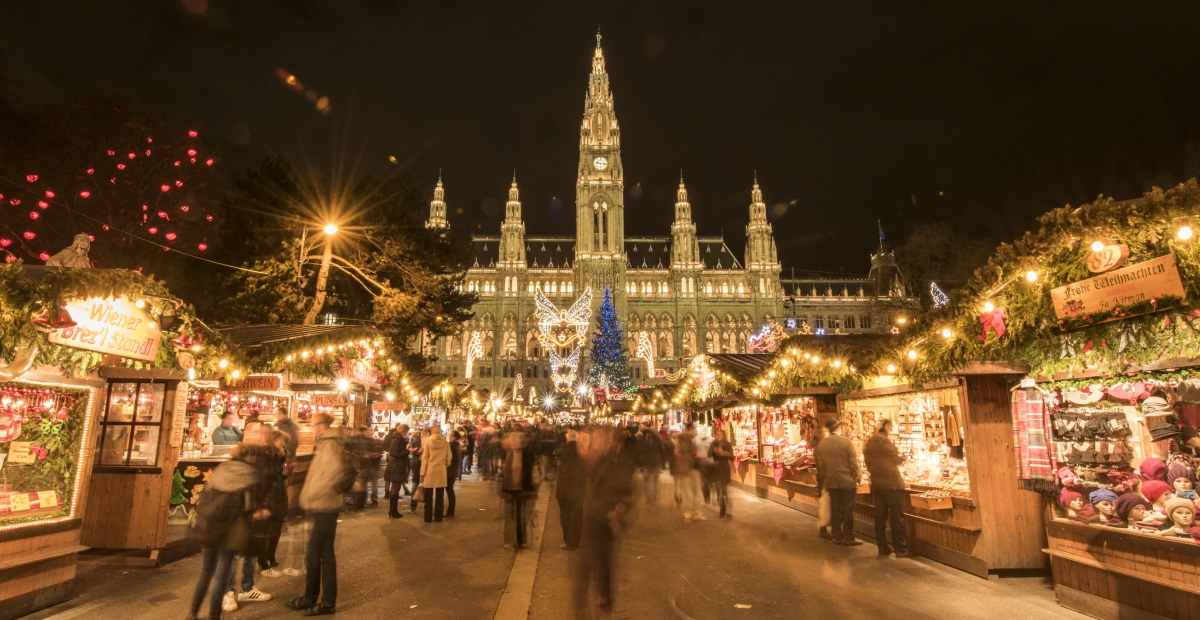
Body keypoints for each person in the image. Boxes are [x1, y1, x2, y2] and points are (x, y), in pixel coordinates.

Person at [186, 443, 260, 620]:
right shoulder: (250, 475)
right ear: (249, 457)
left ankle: (193, 612)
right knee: (222, 575)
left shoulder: (220, 470)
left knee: (206, 571)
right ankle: (214, 615)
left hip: (210, 527)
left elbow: (205, 496)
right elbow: (250, 506)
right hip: (232, 531)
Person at [571, 426, 635, 620]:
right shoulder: (582, 464)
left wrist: (618, 513)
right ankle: (583, 612)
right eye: (585, 443)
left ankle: (605, 610)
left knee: (603, 573)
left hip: (603, 527)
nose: (591, 446)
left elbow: (626, 492)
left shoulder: (612, 464)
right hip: (585, 528)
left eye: (596, 442)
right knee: (581, 577)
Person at [286, 413, 347, 616]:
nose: (312, 428)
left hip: (324, 507)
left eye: (314, 425)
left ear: (323, 425)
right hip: (324, 506)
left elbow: (329, 477)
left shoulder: (329, 445)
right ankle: (318, 599)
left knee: (315, 555)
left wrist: (308, 497)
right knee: (325, 555)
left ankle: (319, 600)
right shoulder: (327, 444)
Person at [223, 421, 283, 608]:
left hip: (256, 511)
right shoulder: (243, 454)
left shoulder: (269, 456)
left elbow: (271, 484)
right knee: (232, 552)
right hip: (238, 509)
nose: (262, 436)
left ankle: (247, 589)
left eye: (265, 433)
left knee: (250, 550)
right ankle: (227, 592)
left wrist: (265, 506)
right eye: (258, 432)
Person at [864, 419, 909, 558]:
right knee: (896, 517)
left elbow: (868, 462)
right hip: (891, 484)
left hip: (877, 484)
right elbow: (894, 459)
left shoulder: (870, 443)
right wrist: (903, 458)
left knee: (880, 517)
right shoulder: (885, 441)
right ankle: (900, 549)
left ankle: (882, 547)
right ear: (887, 427)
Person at [814, 418, 862, 546]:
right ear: (839, 428)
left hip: (831, 482)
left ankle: (837, 536)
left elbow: (821, 467)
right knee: (848, 509)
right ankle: (849, 536)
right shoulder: (846, 442)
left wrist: (823, 482)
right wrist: (856, 477)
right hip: (847, 481)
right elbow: (853, 463)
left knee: (834, 508)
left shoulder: (822, 444)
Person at [258, 430, 291, 576]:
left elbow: (278, 475)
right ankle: (263, 558)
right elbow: (265, 478)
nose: (283, 443)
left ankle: (271, 555)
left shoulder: (281, 456)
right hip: (270, 496)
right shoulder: (266, 456)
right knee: (266, 530)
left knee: (276, 528)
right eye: (280, 440)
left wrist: (286, 472)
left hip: (279, 494)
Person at [499, 431, 539, 549]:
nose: (515, 443)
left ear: (521, 442)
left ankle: (522, 541)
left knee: (521, 517)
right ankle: (508, 541)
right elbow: (502, 474)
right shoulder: (506, 454)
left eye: (517, 441)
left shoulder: (528, 455)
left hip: (523, 489)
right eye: (513, 441)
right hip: (508, 489)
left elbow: (534, 474)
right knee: (508, 517)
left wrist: (534, 490)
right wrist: (500, 492)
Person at [556, 429, 586, 549]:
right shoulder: (582, 451)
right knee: (578, 515)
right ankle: (577, 540)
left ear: (567, 438)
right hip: (578, 487)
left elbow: (556, 455)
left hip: (564, 487)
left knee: (566, 515)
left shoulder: (562, 450)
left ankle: (569, 541)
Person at [420, 425, 453, 522]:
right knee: (440, 495)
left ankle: (427, 517)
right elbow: (449, 457)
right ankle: (438, 517)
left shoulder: (428, 442)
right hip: (441, 470)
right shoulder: (445, 443)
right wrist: (445, 465)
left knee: (428, 495)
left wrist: (422, 472)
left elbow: (425, 458)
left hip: (430, 470)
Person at [673, 425, 705, 520]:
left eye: (694, 430)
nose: (693, 431)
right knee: (687, 492)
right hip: (685, 468)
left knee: (696, 491)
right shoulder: (682, 440)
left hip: (695, 467)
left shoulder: (694, 440)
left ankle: (697, 512)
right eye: (691, 430)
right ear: (687, 430)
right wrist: (694, 453)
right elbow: (681, 453)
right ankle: (687, 511)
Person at [385, 424, 410, 518]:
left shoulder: (397, 438)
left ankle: (393, 510)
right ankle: (393, 511)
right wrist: (408, 451)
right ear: (403, 431)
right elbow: (395, 453)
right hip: (397, 466)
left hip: (396, 466)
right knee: (395, 488)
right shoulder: (397, 439)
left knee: (396, 488)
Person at [637, 425, 665, 507]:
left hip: (645, 463)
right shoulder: (657, 438)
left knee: (646, 481)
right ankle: (654, 498)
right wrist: (662, 462)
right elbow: (662, 450)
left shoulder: (642, 439)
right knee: (655, 481)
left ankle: (648, 499)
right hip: (656, 462)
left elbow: (639, 451)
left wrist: (639, 462)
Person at [708, 429, 734, 518]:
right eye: (717, 434)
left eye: (720, 435)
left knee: (724, 489)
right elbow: (708, 454)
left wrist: (725, 453)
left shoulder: (727, 444)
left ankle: (723, 506)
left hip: (724, 468)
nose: (719, 436)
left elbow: (732, 457)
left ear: (724, 436)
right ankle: (721, 506)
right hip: (716, 469)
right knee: (719, 489)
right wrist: (713, 449)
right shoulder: (713, 443)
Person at [694, 429, 714, 505]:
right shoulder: (696, 439)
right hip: (701, 462)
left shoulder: (711, 439)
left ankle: (708, 493)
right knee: (703, 480)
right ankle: (706, 496)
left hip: (710, 462)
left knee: (709, 481)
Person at [446, 430, 463, 517]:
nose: (449, 436)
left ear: (454, 437)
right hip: (453, 470)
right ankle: (450, 510)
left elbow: (451, 459)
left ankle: (450, 511)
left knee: (449, 490)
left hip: (450, 471)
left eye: (450, 435)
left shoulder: (452, 446)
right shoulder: (456, 445)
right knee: (450, 490)